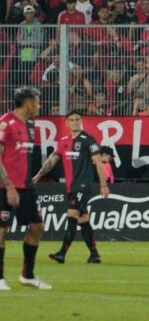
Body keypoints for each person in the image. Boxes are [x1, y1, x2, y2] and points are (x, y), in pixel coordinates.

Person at [33, 111, 110, 264]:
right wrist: (37, 176)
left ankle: (62, 253)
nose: (75, 122)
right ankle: (94, 255)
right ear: (67, 123)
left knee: (72, 215)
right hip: (71, 187)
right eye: (71, 120)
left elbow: (98, 163)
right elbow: (52, 161)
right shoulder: (63, 141)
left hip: (83, 185)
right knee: (83, 219)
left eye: (77, 119)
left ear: (81, 121)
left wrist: (103, 185)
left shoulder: (88, 140)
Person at [0, 87, 51, 289]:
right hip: (4, 187)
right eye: (37, 101)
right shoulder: (6, 123)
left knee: (37, 227)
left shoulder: (30, 125)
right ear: (28, 103)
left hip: (26, 187)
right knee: (1, 230)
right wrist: (9, 186)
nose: (39, 105)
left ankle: (27, 275)